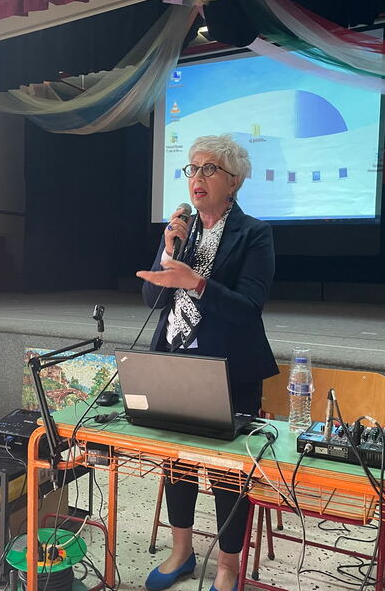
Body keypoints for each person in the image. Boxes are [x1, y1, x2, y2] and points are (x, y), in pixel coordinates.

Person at [136, 135, 278, 591]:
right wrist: (168, 252)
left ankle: (228, 567)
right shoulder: (181, 231)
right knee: (176, 465)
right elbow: (152, 298)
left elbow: (249, 307)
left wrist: (196, 282)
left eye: (208, 169)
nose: (197, 177)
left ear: (233, 181)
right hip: (174, 363)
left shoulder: (254, 234)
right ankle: (181, 552)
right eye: (192, 169)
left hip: (229, 370)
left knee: (227, 474)